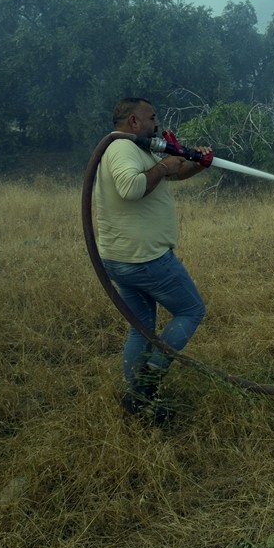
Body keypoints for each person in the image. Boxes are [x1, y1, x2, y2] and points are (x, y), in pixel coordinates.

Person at [93, 97, 211, 422]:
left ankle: (136, 399)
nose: (156, 123)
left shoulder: (136, 147)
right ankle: (149, 381)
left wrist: (196, 163)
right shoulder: (120, 149)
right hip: (144, 258)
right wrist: (163, 166)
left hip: (122, 259)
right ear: (134, 121)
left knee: (141, 327)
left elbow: (171, 173)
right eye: (151, 117)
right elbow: (132, 187)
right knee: (191, 310)